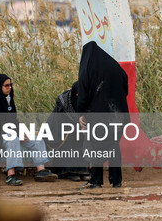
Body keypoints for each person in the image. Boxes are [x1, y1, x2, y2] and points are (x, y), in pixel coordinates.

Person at [0, 74, 58, 186]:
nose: (10, 87)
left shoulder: (9, 98)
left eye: (11, 84)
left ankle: (41, 171)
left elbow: (13, 120)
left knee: (37, 139)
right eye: (6, 85)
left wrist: (22, 131)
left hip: (10, 131)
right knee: (13, 139)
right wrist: (16, 133)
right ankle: (10, 175)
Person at [76, 41, 129, 189]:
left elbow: (83, 93)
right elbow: (126, 86)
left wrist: (81, 112)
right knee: (113, 146)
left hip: (99, 115)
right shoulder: (114, 66)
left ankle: (96, 181)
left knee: (96, 147)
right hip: (119, 114)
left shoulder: (88, 66)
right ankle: (116, 181)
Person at [45, 82, 90, 181]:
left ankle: (82, 170)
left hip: (77, 127)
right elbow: (57, 121)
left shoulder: (88, 99)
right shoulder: (64, 102)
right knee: (70, 139)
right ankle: (68, 171)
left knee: (81, 138)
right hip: (59, 129)